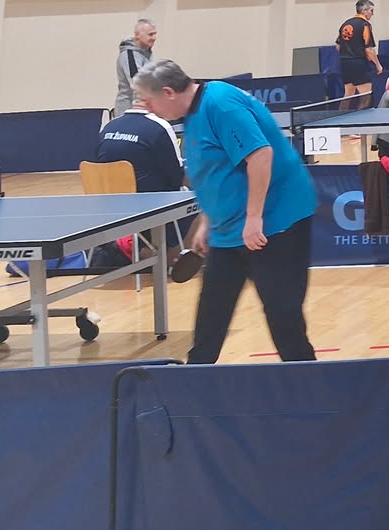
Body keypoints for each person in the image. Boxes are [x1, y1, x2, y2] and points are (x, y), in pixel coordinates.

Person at [134, 60, 317, 365]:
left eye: (148, 101)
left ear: (168, 92)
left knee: (283, 315)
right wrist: (208, 220)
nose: (148, 109)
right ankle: (196, 381)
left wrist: (254, 218)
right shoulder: (190, 114)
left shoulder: (221, 104)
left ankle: (308, 381)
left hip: (276, 223)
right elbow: (215, 170)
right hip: (228, 230)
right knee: (212, 313)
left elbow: (260, 155)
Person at [95, 94, 184, 196]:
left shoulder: (109, 126)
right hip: (152, 200)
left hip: (107, 197)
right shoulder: (160, 126)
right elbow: (177, 176)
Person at [337, 0, 380, 106]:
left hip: (344, 62)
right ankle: (363, 117)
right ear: (364, 11)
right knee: (366, 94)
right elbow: (369, 49)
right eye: (371, 11)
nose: (373, 14)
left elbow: (338, 46)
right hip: (358, 62)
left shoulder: (345, 24)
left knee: (348, 93)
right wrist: (378, 65)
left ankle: (341, 115)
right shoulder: (365, 25)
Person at [113, 18, 157, 115]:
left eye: (155, 34)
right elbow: (137, 83)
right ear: (137, 35)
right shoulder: (129, 54)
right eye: (150, 34)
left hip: (144, 108)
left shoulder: (146, 52)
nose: (154, 38)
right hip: (129, 110)